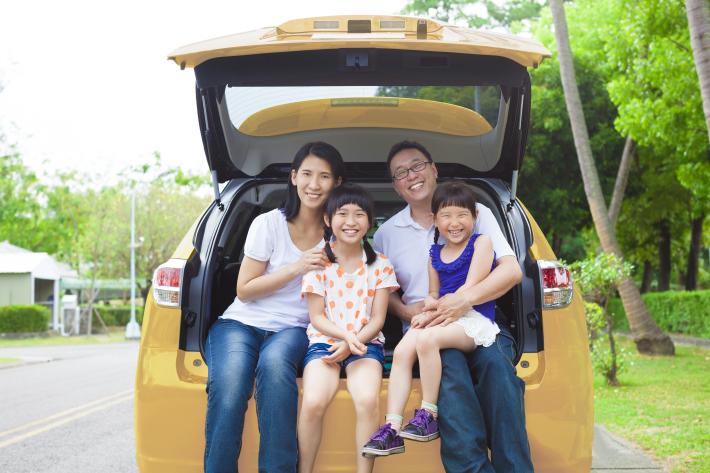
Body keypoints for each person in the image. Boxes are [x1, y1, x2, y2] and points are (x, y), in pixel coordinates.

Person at [371, 141, 533, 472]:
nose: (411, 175)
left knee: (500, 375)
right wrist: (406, 312)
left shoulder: (475, 212)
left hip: (481, 319)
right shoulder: (386, 234)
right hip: (427, 331)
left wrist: (464, 300)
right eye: (401, 173)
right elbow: (381, 290)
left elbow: (511, 271)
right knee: (453, 386)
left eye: (417, 166)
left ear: (434, 170)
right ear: (395, 186)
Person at [203, 142, 345, 473]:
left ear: (336, 182)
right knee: (230, 386)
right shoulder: (268, 224)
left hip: (293, 328)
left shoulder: (339, 236)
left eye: (324, 176)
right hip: (239, 324)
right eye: (307, 174)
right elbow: (245, 290)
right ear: (294, 177)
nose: (314, 184)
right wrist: (298, 267)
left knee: (275, 369)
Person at [363, 181, 500, 458]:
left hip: (472, 318)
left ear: (475, 216)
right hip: (443, 315)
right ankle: (392, 427)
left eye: (462, 215)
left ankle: (429, 414)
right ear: (435, 220)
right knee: (402, 350)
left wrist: (433, 315)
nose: (455, 223)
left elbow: (469, 289)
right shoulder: (434, 254)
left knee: (426, 339)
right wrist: (427, 306)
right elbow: (434, 293)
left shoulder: (481, 243)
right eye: (446, 216)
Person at [298, 183, 399, 473]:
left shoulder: (381, 264)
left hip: (366, 344)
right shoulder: (318, 261)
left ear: (370, 222)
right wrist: (345, 338)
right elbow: (317, 317)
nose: (351, 222)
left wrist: (353, 342)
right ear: (328, 219)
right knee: (313, 401)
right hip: (324, 343)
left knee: (367, 400)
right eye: (343, 214)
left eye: (359, 214)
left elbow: (378, 319)